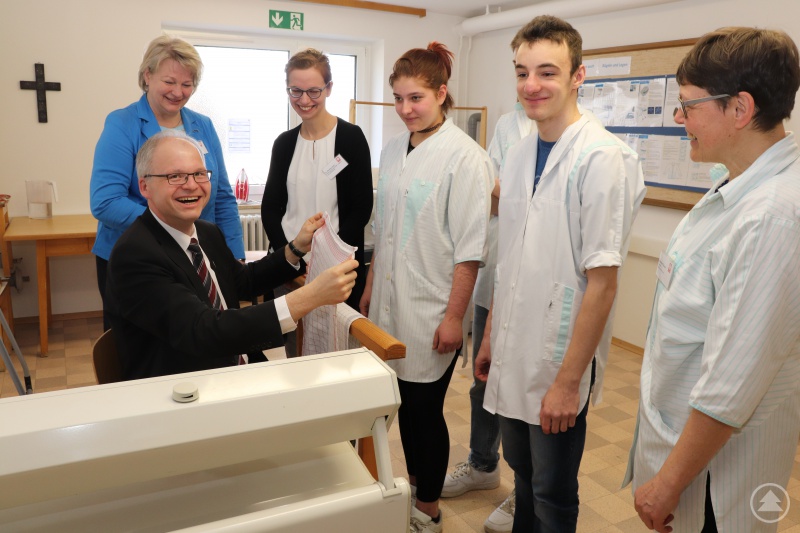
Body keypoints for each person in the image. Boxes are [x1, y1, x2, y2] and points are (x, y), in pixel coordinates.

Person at [474, 16, 645, 532]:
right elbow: (512, 259)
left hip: (557, 357)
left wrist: (568, 383)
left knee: (551, 491)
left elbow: (604, 281)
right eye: (522, 72)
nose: (532, 85)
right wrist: (488, 338)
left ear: (578, 76)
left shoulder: (603, 158)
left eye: (547, 72)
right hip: (511, 343)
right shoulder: (523, 150)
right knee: (521, 473)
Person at [627, 27, 800, 533]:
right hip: (683, 447)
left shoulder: (772, 216)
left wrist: (668, 483)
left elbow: (731, 384)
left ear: (740, 109)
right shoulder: (735, 186)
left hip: (711, 484)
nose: (679, 119)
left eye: (688, 106)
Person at [360, 42, 493, 533]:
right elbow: (385, 227)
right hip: (390, 303)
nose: (405, 109)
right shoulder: (394, 149)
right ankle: (413, 489)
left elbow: (469, 250)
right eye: (397, 98)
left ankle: (430, 510)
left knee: (424, 412)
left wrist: (455, 317)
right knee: (396, 405)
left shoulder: (466, 159)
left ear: (442, 93)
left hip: (433, 308)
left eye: (415, 98)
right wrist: (372, 284)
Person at [106, 130, 357, 380]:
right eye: (175, 176)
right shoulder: (135, 254)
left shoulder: (206, 232)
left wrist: (296, 248)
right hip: (187, 389)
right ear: (144, 186)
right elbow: (203, 330)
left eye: (199, 174)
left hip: (237, 366)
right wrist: (311, 296)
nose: (192, 184)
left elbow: (244, 282)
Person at [91, 35, 244, 330]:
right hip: (139, 259)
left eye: (187, 85)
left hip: (198, 255)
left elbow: (222, 196)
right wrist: (174, 226)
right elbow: (106, 202)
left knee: (207, 336)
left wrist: (233, 254)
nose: (178, 92)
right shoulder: (123, 124)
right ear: (147, 76)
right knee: (153, 348)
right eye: (170, 82)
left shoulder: (203, 125)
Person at [440, 102, 533, 533]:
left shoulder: (589, 142)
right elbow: (493, 202)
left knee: (525, 390)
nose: (530, 85)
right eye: (522, 72)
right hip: (495, 275)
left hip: (537, 289)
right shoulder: (509, 125)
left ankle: (525, 489)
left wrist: (507, 194)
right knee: (484, 379)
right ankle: (482, 463)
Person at [262, 48, 373, 311]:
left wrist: (327, 262)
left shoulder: (351, 139)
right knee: (288, 348)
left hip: (336, 270)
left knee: (334, 347)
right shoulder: (284, 144)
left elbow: (360, 209)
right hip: (288, 267)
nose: (305, 100)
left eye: (314, 91)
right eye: (295, 91)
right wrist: (289, 262)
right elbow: (270, 208)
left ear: (329, 88)